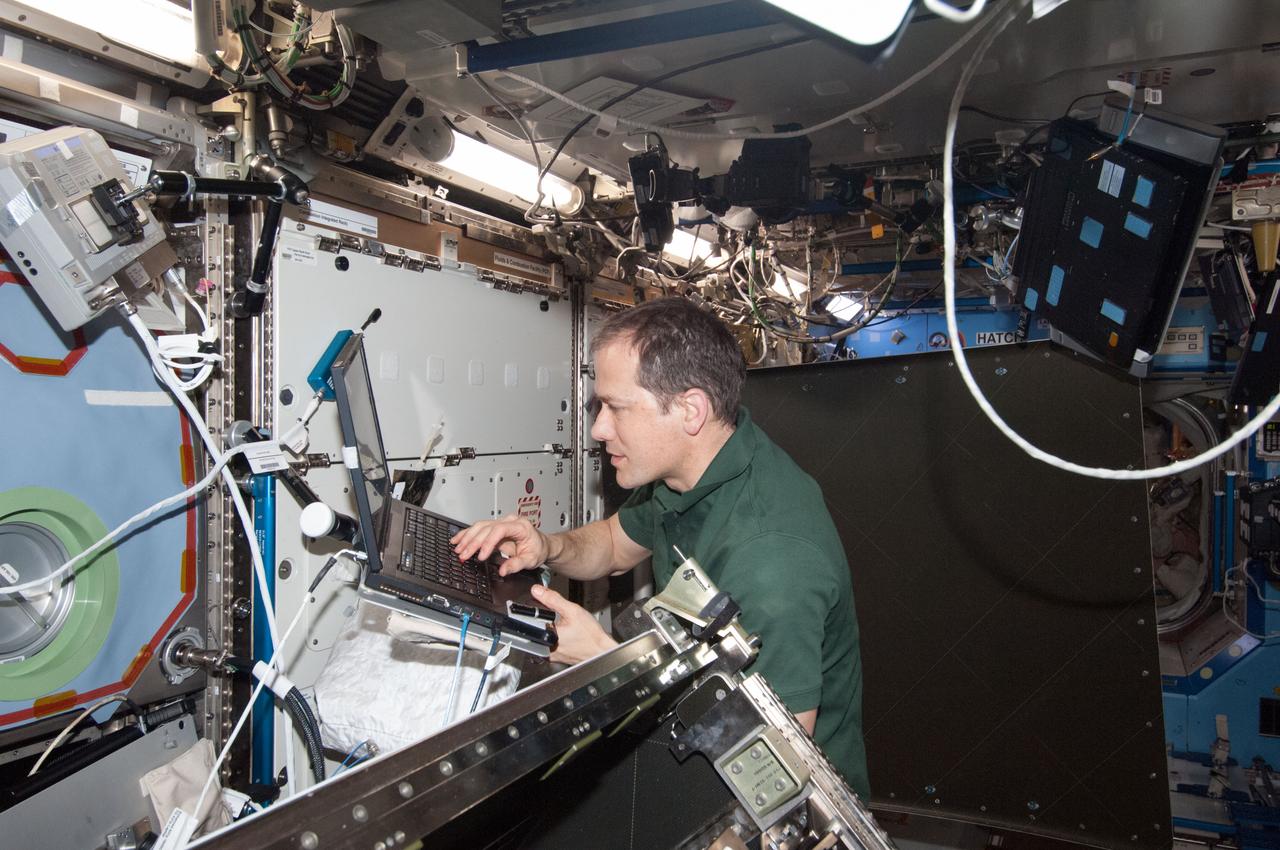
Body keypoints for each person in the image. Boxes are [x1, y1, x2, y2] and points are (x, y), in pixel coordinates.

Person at [451, 296, 868, 798]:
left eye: (616, 408)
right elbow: (612, 544)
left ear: (690, 410)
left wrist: (607, 662)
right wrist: (546, 546)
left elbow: (771, 769)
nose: (599, 429)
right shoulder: (691, 471)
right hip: (702, 752)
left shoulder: (771, 561)